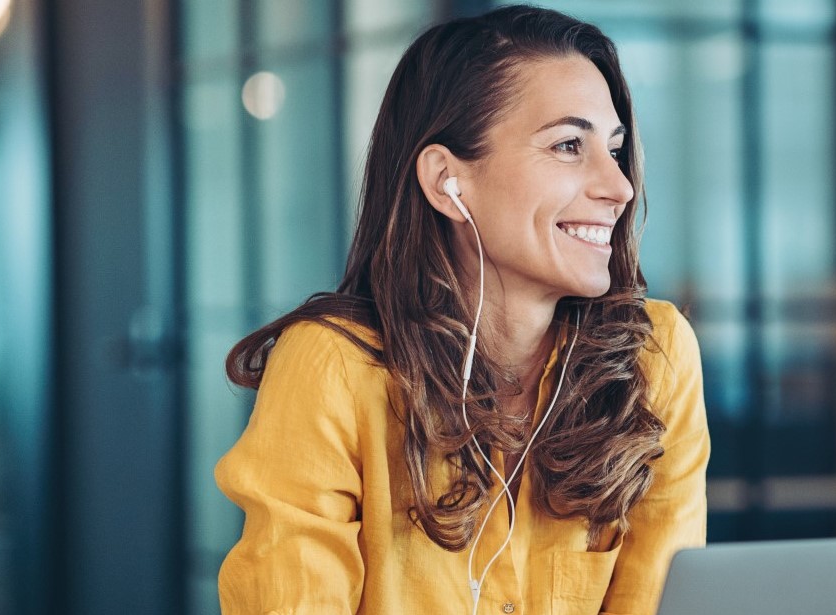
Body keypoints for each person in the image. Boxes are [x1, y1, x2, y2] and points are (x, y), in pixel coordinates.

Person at [213, 6, 709, 614]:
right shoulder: (333, 365)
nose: (619, 186)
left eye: (614, 148)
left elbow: (661, 599)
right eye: (568, 145)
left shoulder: (655, 357)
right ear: (448, 180)